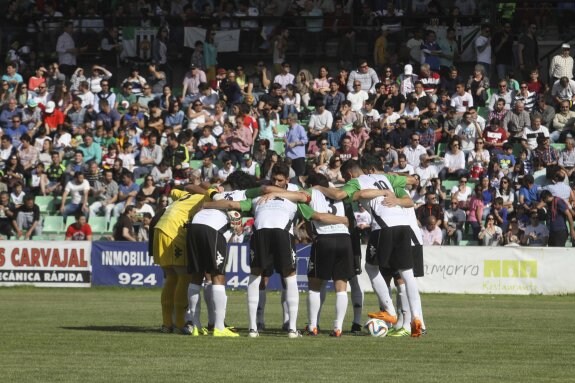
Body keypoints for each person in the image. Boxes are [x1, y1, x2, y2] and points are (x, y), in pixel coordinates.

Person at [315, 158, 424, 337]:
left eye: (344, 177)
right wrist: (394, 194)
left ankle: (389, 311)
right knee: (407, 273)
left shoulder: (355, 182)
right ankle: (416, 318)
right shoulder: (387, 177)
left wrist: (319, 188)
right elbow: (412, 180)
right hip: (404, 226)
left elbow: (339, 195)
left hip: (384, 227)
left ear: (349, 174)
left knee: (370, 267)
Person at [153, 185, 215, 335]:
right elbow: (212, 194)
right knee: (184, 276)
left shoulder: (185, 195)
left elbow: (174, 190)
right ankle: (180, 323)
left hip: (159, 227)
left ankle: (167, 323)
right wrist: (210, 191)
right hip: (174, 231)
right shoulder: (207, 197)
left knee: (171, 277)